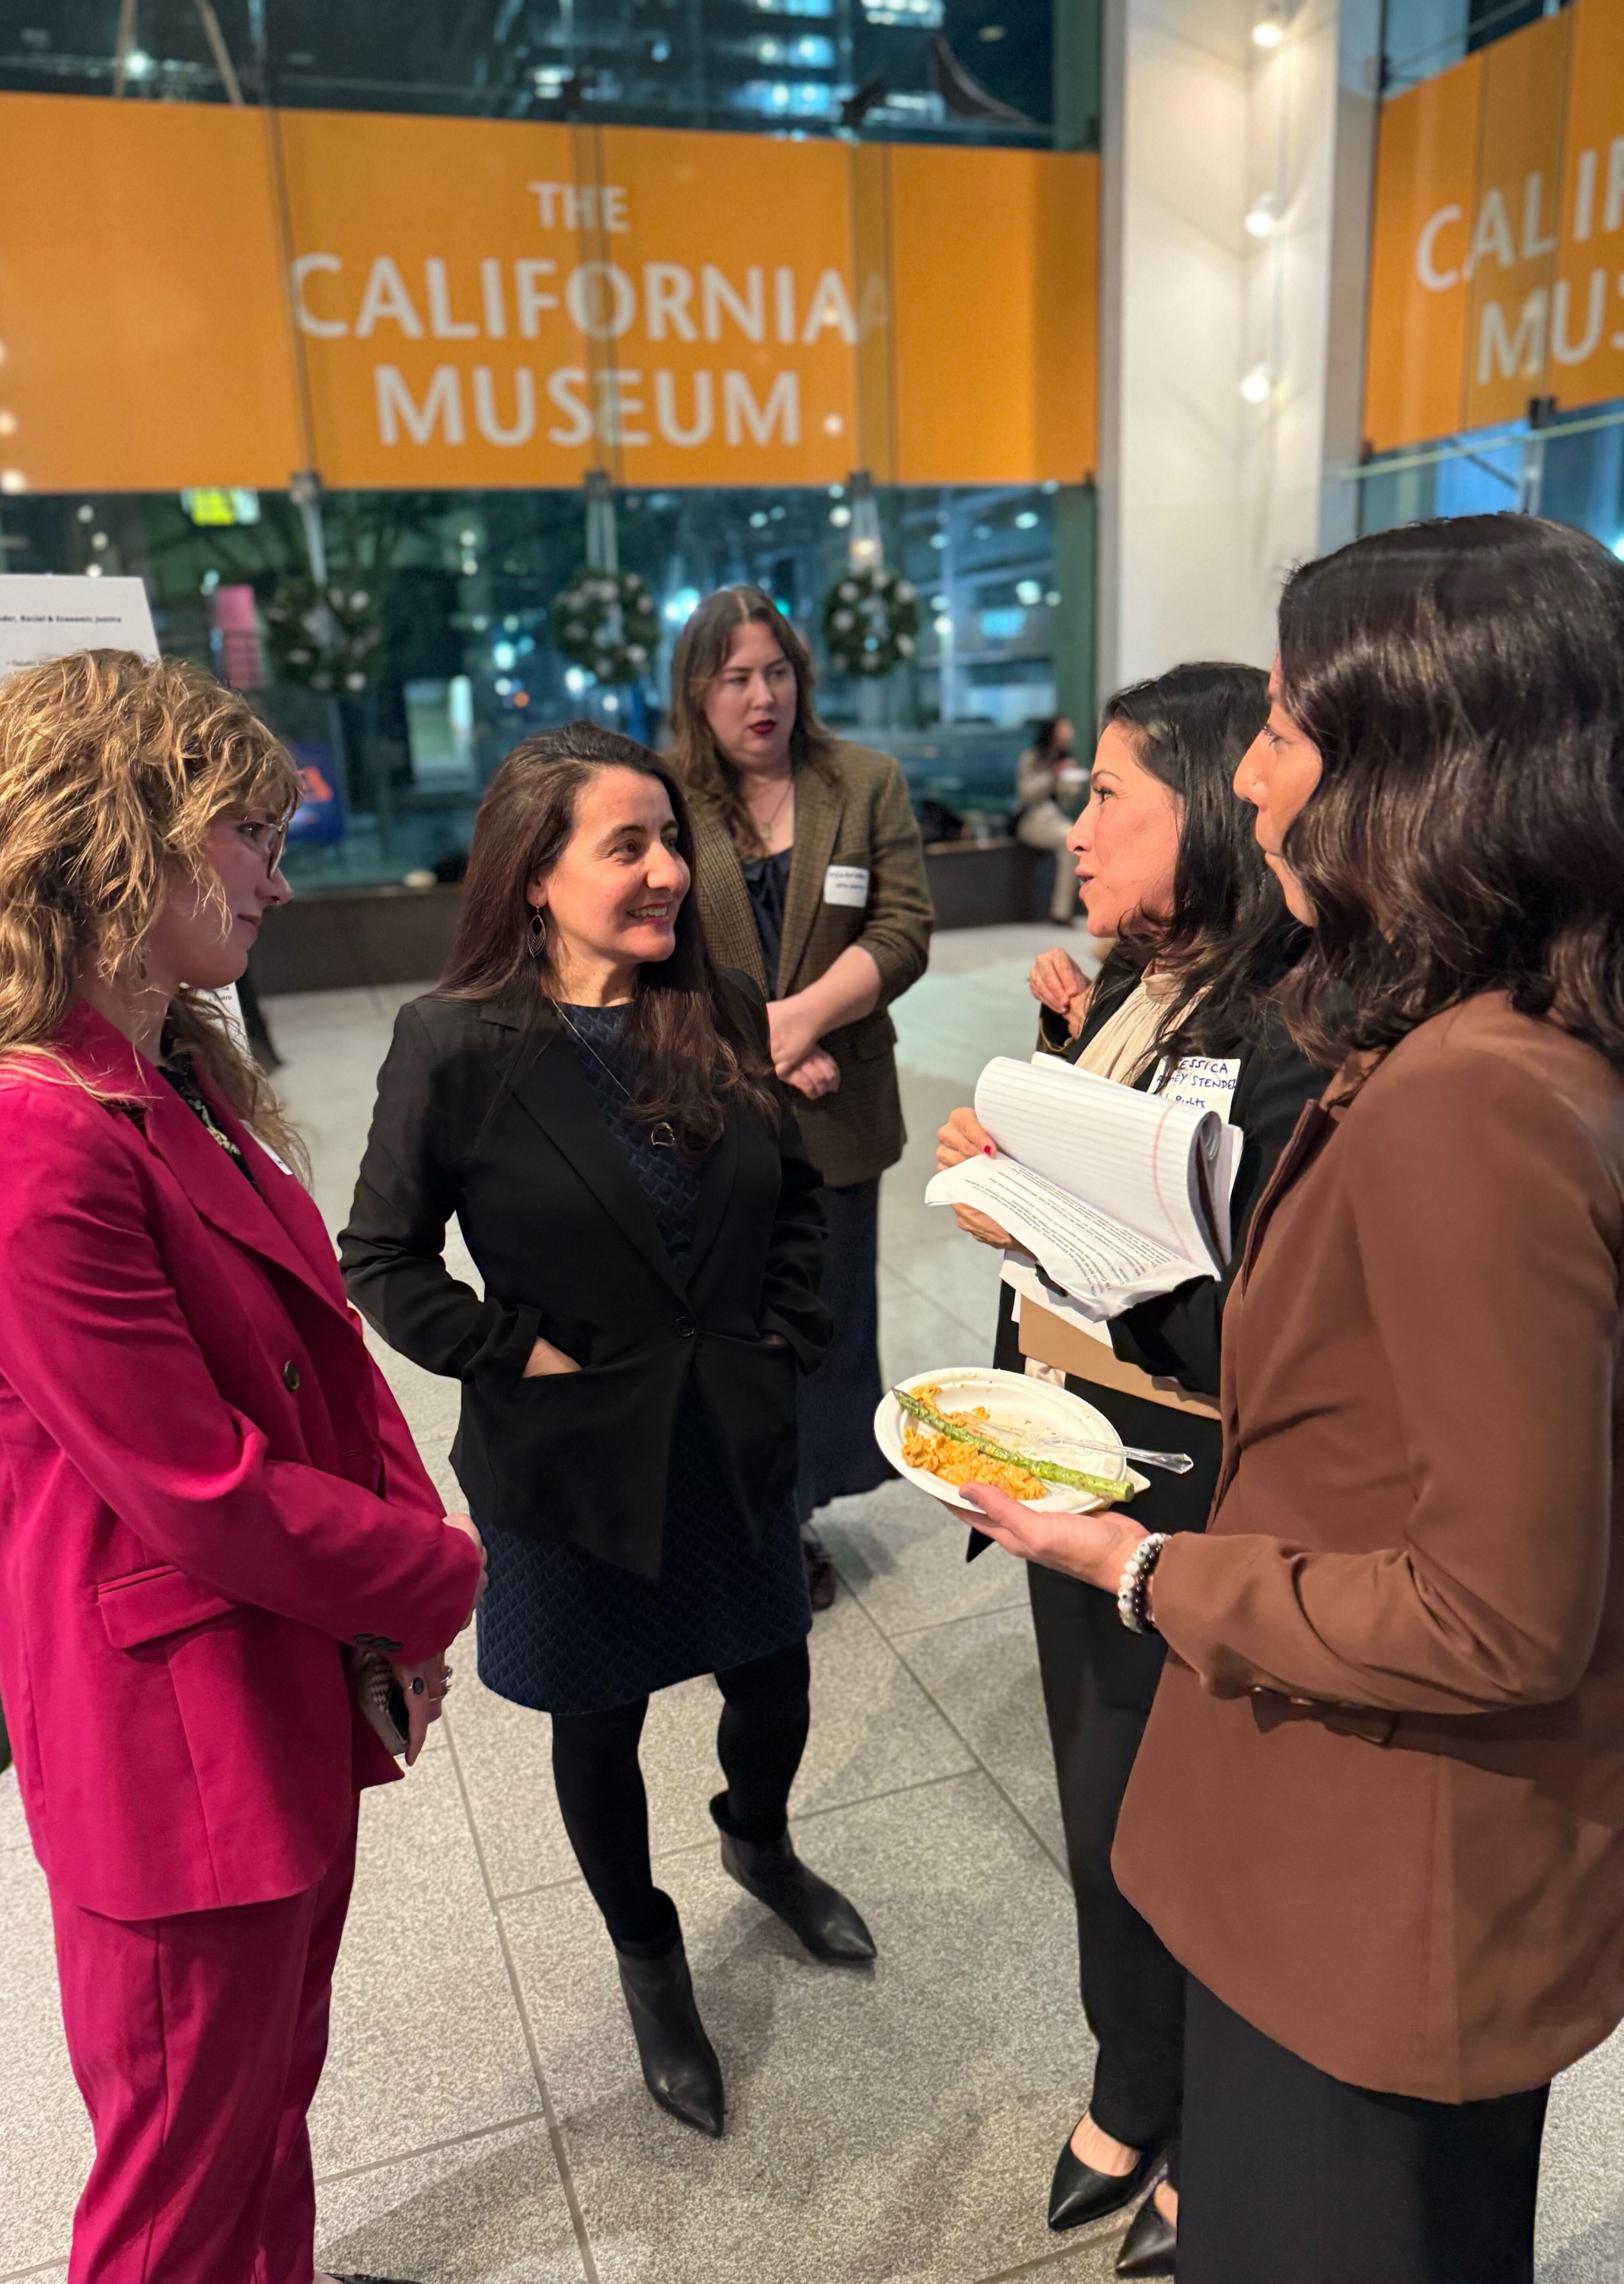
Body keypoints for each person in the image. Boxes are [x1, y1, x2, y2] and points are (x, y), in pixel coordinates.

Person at [961, 515, 1624, 2284]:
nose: (1251, 784)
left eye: (1279, 725)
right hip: (1381, 1871)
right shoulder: (1492, 1039)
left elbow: (1493, 1610)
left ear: (1427, 768)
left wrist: (1135, 1567)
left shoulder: (1473, 1097)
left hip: (1378, 1898)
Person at [0, 650, 482, 2284]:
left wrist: (387, 1610)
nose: (274, 878)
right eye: (246, 832)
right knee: (174, 2183)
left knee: (264, 2108)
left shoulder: (164, 1078)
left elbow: (322, 1364)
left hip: (271, 1682)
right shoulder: (20, 1138)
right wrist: (437, 1576)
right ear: (118, 832)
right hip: (173, 1759)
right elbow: (201, 1487)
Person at [340, 722, 876, 2145]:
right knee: (602, 1727)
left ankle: (755, 1841)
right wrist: (516, 1348)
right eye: (623, 845)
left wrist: (789, 1338)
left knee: (775, 1690)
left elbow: (797, 1202)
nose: (664, 873)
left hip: (731, 1437)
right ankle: (648, 1955)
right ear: (533, 873)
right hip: (571, 1460)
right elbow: (382, 1257)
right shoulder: (456, 1044)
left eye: (667, 842)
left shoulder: (712, 1005)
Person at [936, 662, 1326, 2277]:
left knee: (1212, 1838)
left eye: (1111, 798)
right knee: (1102, 1805)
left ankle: (1209, 2137)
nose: (1075, 828)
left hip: (1204, 1498)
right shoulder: (1126, 982)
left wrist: (1047, 1206)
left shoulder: (1305, 1021)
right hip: (1072, 1456)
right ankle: (1130, 2074)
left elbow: (1268, 1317)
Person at [668, 585, 934, 1608]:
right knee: (730, 1331)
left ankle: (797, 1515)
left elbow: (903, 929)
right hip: (711, 1115)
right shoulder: (666, 801)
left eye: (775, 670)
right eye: (734, 676)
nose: (759, 695)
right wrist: (758, 1049)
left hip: (836, 1113)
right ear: (696, 689)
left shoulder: (861, 781)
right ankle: (743, 1521)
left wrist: (805, 1020)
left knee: (820, 1331)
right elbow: (657, 954)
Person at [1014, 713, 1086, 920]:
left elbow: (1066, 800)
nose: (1068, 734)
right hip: (1032, 821)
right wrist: (1051, 776)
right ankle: (1061, 912)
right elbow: (1026, 793)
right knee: (1070, 839)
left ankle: (1063, 910)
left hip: (1055, 821)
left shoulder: (1066, 760)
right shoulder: (1031, 758)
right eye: (1064, 728)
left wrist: (1069, 781)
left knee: (1073, 843)